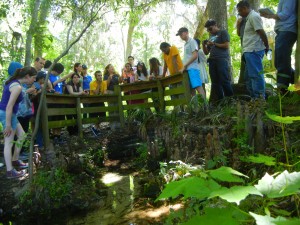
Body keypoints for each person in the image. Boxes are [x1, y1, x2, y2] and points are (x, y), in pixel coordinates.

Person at [0, 67, 37, 179]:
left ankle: (15, 159)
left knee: (22, 135)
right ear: (27, 77)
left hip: (12, 114)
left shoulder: (16, 84)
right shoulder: (17, 87)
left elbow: (15, 96)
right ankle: (10, 171)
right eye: (34, 78)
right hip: (7, 114)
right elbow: (9, 106)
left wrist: (26, 91)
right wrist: (8, 125)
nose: (34, 80)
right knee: (9, 142)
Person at [260, 0, 297, 89]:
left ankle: (282, 89)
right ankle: (296, 81)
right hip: (282, 31)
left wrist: (269, 16)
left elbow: (284, 15)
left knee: (282, 60)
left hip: (287, 30)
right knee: (278, 61)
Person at [237, 1, 269, 99]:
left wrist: (267, 46)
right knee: (248, 77)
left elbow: (261, 31)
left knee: (256, 75)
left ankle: (259, 99)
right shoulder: (247, 19)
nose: (239, 13)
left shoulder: (254, 16)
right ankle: (253, 98)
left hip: (253, 50)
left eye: (240, 11)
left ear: (245, 8)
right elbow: (240, 34)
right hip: (248, 51)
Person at [202, 20, 233, 102]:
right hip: (212, 61)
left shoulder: (223, 32)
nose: (209, 31)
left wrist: (214, 44)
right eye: (208, 30)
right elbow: (206, 52)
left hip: (221, 59)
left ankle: (230, 100)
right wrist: (203, 45)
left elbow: (226, 45)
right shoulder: (211, 37)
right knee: (215, 83)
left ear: (215, 25)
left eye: (210, 29)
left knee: (224, 80)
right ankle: (221, 101)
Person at [176, 27, 205, 100]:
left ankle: (205, 107)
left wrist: (184, 66)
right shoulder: (186, 44)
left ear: (186, 32)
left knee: (198, 87)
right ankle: (196, 109)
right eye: (179, 35)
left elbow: (195, 55)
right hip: (188, 69)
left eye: (181, 33)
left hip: (193, 68)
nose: (180, 36)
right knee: (192, 90)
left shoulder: (192, 42)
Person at [103, 64, 121, 130]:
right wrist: (109, 78)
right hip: (110, 92)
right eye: (111, 67)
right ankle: (112, 125)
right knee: (111, 108)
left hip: (117, 93)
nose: (112, 68)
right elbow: (106, 85)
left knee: (117, 107)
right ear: (107, 69)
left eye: (113, 67)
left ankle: (119, 124)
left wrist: (120, 76)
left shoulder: (116, 75)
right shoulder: (105, 76)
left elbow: (120, 82)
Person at [89, 71, 107, 136]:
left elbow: (104, 92)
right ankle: (96, 129)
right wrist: (99, 84)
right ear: (96, 77)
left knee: (103, 116)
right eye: (98, 75)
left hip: (100, 101)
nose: (100, 77)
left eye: (101, 75)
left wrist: (105, 93)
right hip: (93, 102)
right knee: (95, 116)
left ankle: (95, 128)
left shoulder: (104, 83)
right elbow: (96, 93)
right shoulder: (92, 83)